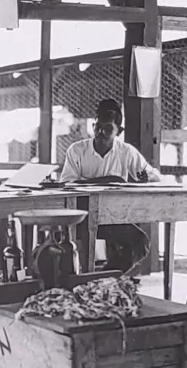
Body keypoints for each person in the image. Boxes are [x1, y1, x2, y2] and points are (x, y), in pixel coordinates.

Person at [59, 98, 161, 274]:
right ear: (93, 126)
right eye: (98, 127)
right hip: (82, 216)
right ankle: (104, 279)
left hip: (114, 218)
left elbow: (154, 176)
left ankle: (105, 278)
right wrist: (109, 180)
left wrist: (147, 177)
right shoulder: (77, 150)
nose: (101, 133)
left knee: (140, 243)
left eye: (108, 129)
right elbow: (66, 184)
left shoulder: (126, 151)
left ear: (118, 131)